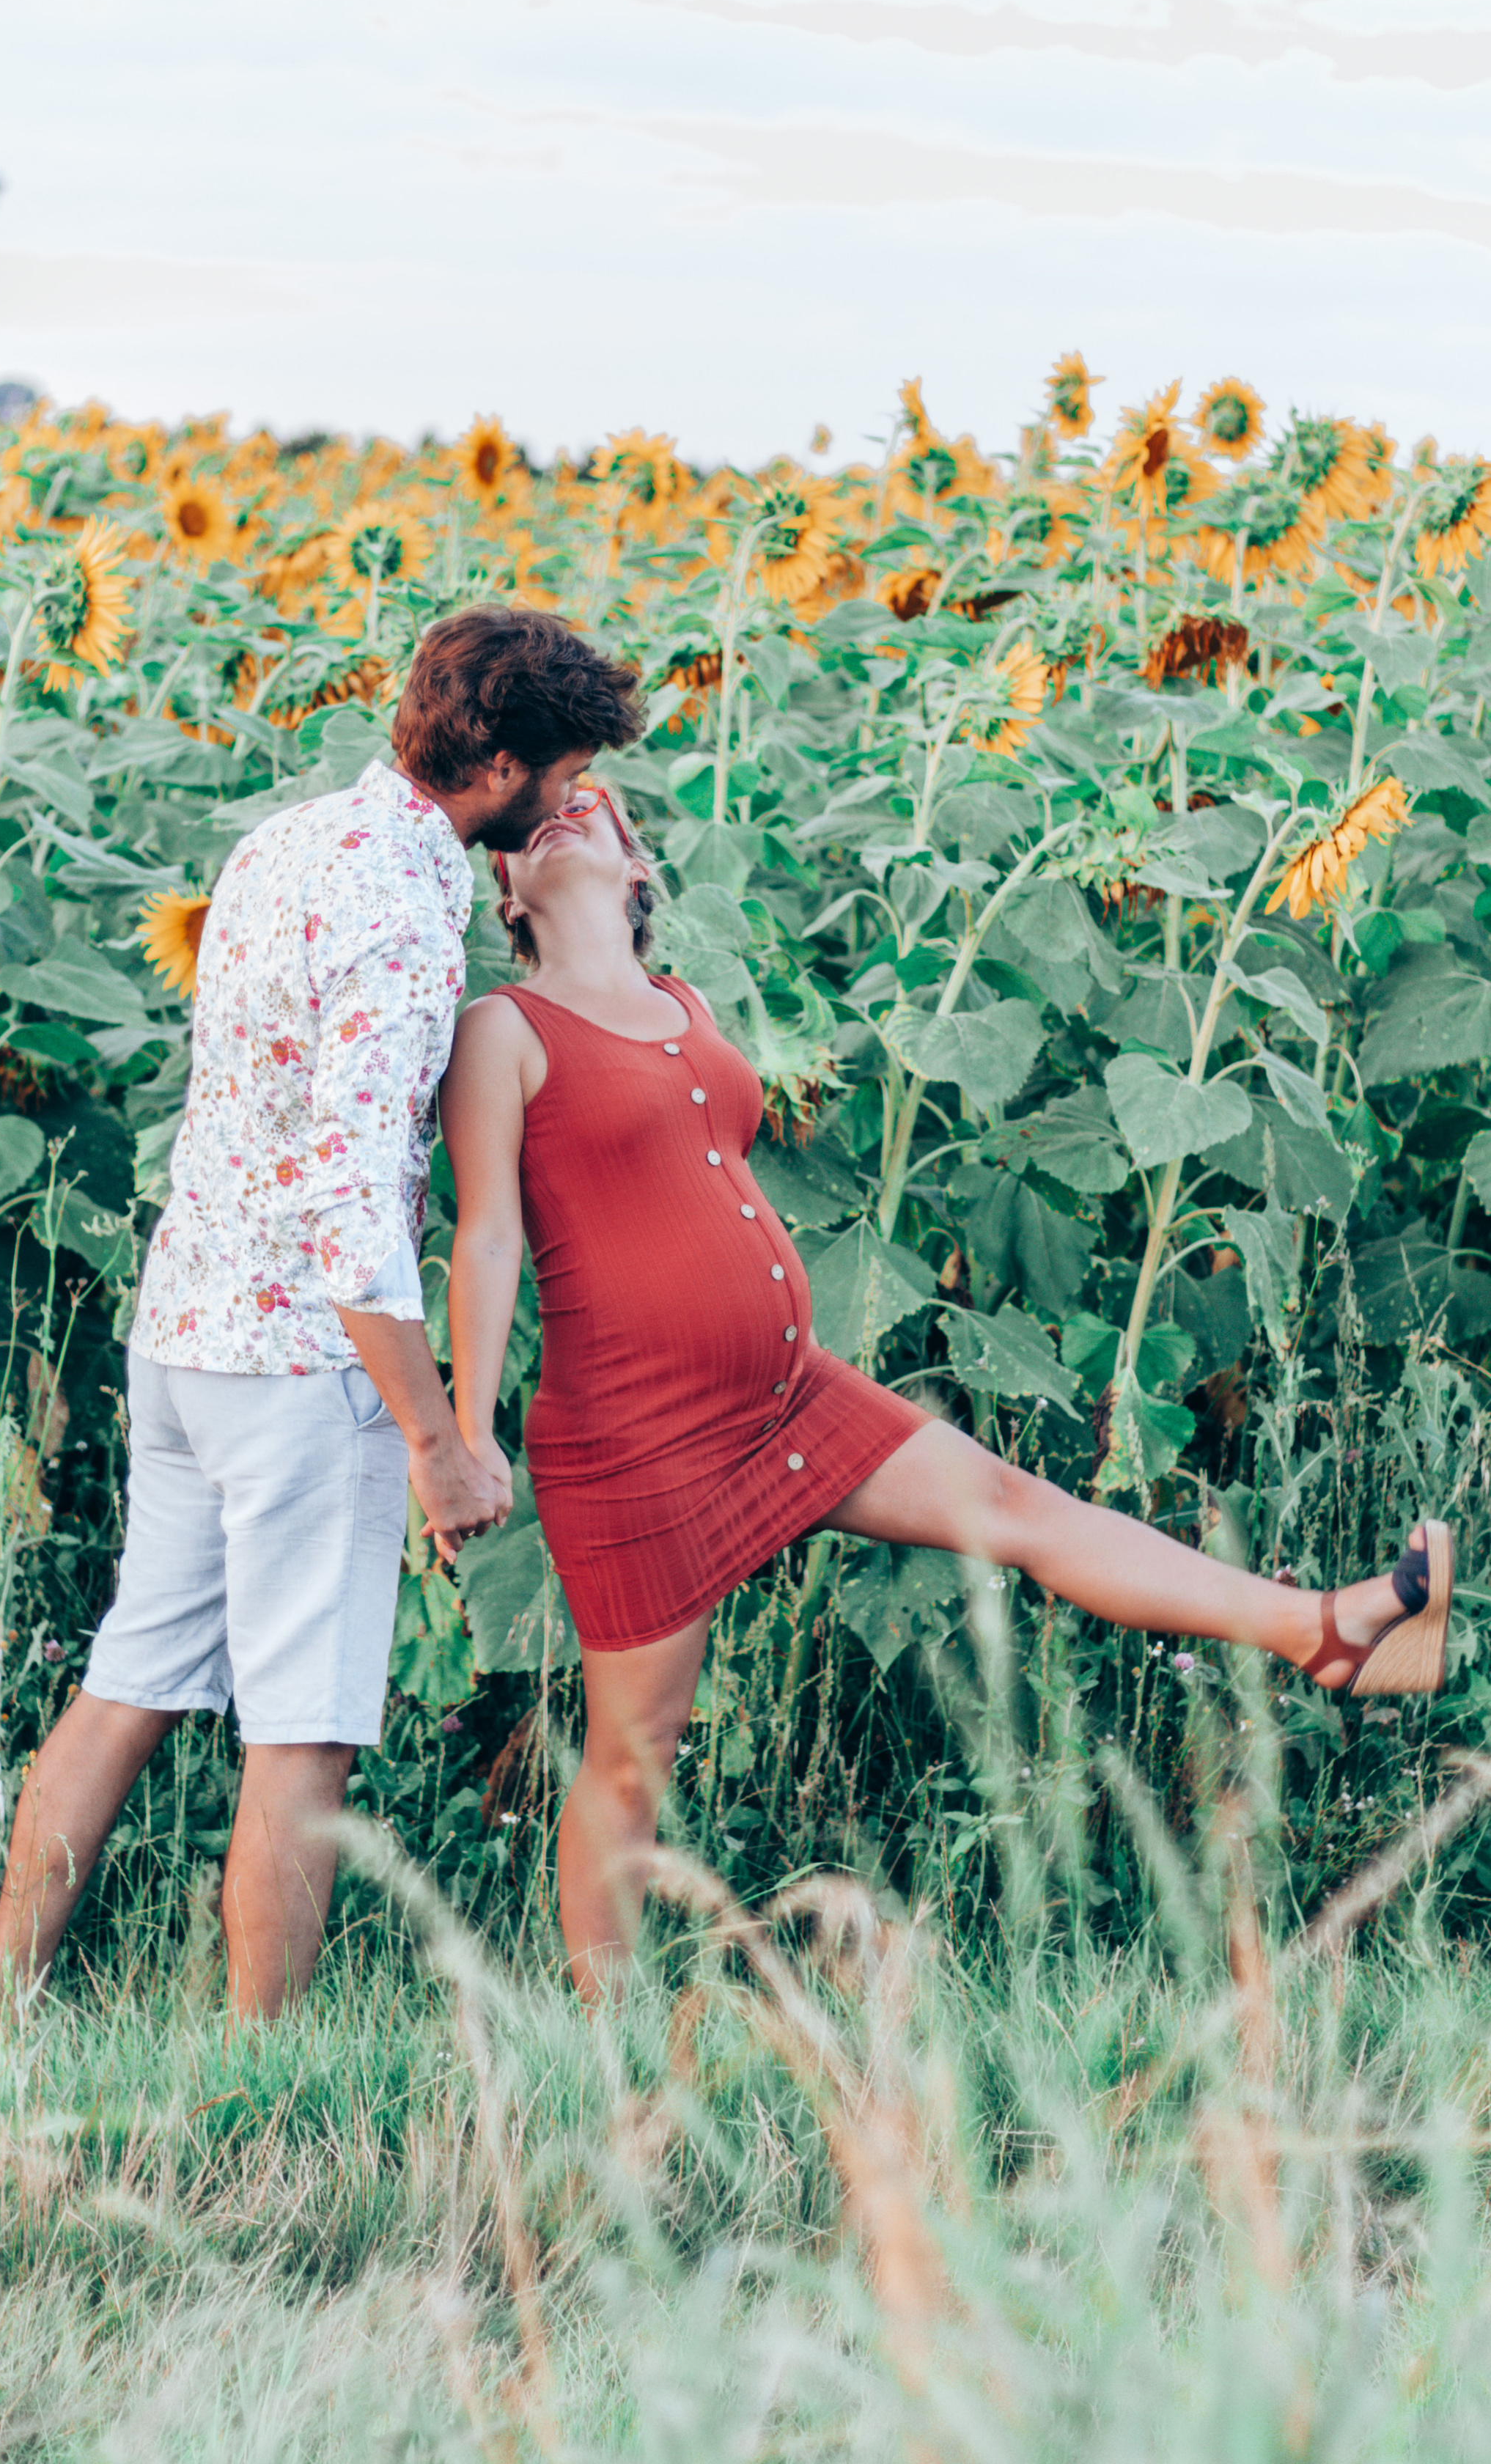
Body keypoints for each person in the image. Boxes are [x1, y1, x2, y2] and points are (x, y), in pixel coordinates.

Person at [438, 779, 1455, 2001]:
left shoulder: (682, 1002)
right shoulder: (506, 1029)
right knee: (631, 1752)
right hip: (636, 1435)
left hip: (781, 1395)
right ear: (502, 885)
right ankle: (605, 2054)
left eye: (588, 803)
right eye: (534, 813)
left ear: (637, 867)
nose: (561, 809)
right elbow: (488, 1239)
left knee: (1021, 1511)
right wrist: (465, 1434)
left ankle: (1323, 1632)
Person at [0, 608, 644, 2029]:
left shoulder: (284, 843)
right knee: (302, 1742)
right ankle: (253, 2074)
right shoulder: (410, 916)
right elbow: (353, 1212)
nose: (577, 793)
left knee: (125, 1689)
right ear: (508, 765)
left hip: (186, 1334)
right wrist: (435, 1441)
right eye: (569, 768)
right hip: (301, 1367)